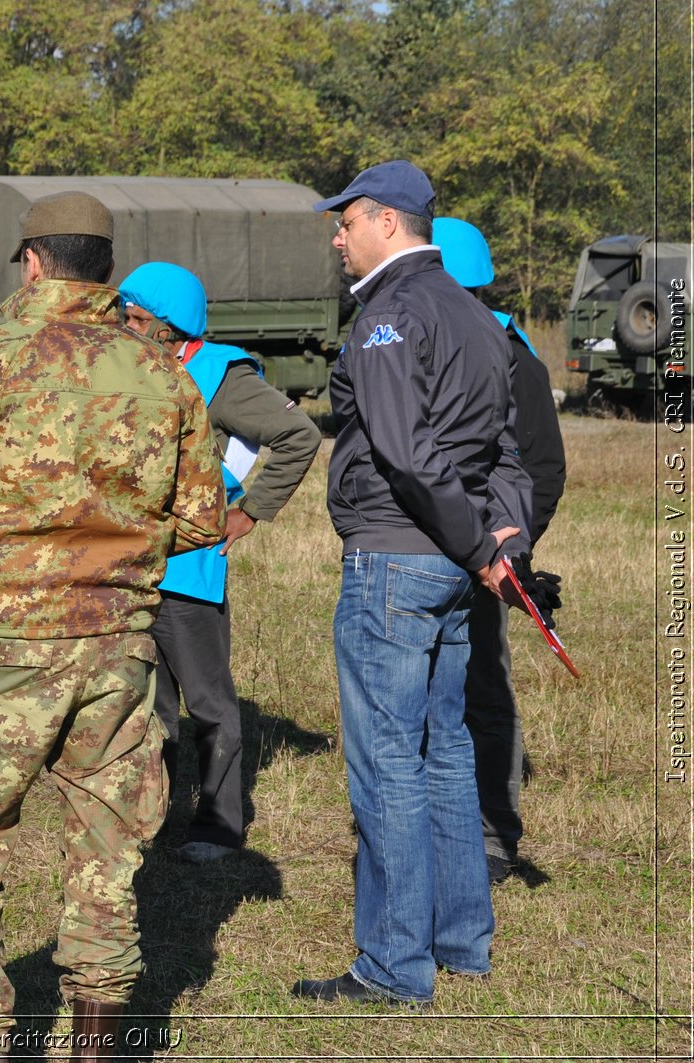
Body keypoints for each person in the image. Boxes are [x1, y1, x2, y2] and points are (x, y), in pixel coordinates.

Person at [0, 192, 225, 1060]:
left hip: (7, 644)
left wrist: (8, 542)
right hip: (120, 647)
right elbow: (201, 516)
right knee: (107, 855)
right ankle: (96, 1045)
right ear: (105, 267)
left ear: (33, 261)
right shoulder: (162, 368)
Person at [292, 161, 533, 1007]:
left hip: (401, 557)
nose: (337, 236)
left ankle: (395, 966)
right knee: (445, 751)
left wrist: (476, 545)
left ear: (387, 222)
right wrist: (504, 535)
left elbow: (404, 452)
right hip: (452, 561)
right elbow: (508, 453)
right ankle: (461, 940)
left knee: (388, 760)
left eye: (346, 220)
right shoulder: (476, 313)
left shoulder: (388, 315)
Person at [117, 262, 321, 864]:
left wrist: (252, 511)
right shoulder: (133, 368)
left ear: (173, 328)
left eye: (138, 320)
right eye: (125, 318)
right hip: (130, 568)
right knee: (146, 707)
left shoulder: (220, 375)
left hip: (187, 569)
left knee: (207, 704)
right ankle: (152, 819)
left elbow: (298, 436)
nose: (125, 329)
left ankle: (218, 825)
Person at [432, 217, 567, 884]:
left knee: (484, 690)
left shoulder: (515, 358)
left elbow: (543, 467)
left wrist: (510, 547)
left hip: (487, 557)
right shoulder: (413, 345)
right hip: (418, 550)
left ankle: (493, 834)